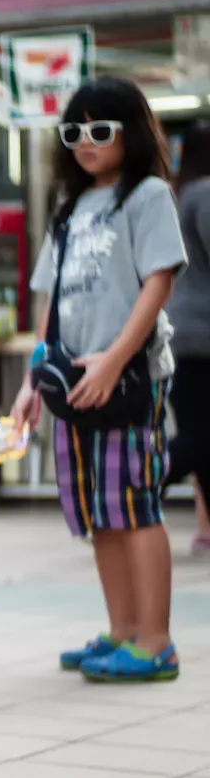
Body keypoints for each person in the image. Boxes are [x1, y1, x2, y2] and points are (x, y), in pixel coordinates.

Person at [11, 76, 187, 683]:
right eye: (74, 131)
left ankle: (156, 641)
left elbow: (158, 281)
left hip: (130, 376)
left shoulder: (148, 196)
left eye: (101, 129)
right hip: (71, 381)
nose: (85, 141)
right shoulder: (67, 210)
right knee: (98, 511)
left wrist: (113, 359)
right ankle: (121, 632)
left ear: (130, 133)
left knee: (137, 505)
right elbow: (48, 301)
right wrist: (33, 381)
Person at [165, 120, 210, 553]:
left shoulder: (182, 195)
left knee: (203, 435)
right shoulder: (204, 194)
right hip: (203, 335)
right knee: (200, 438)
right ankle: (139, 485)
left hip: (185, 332)